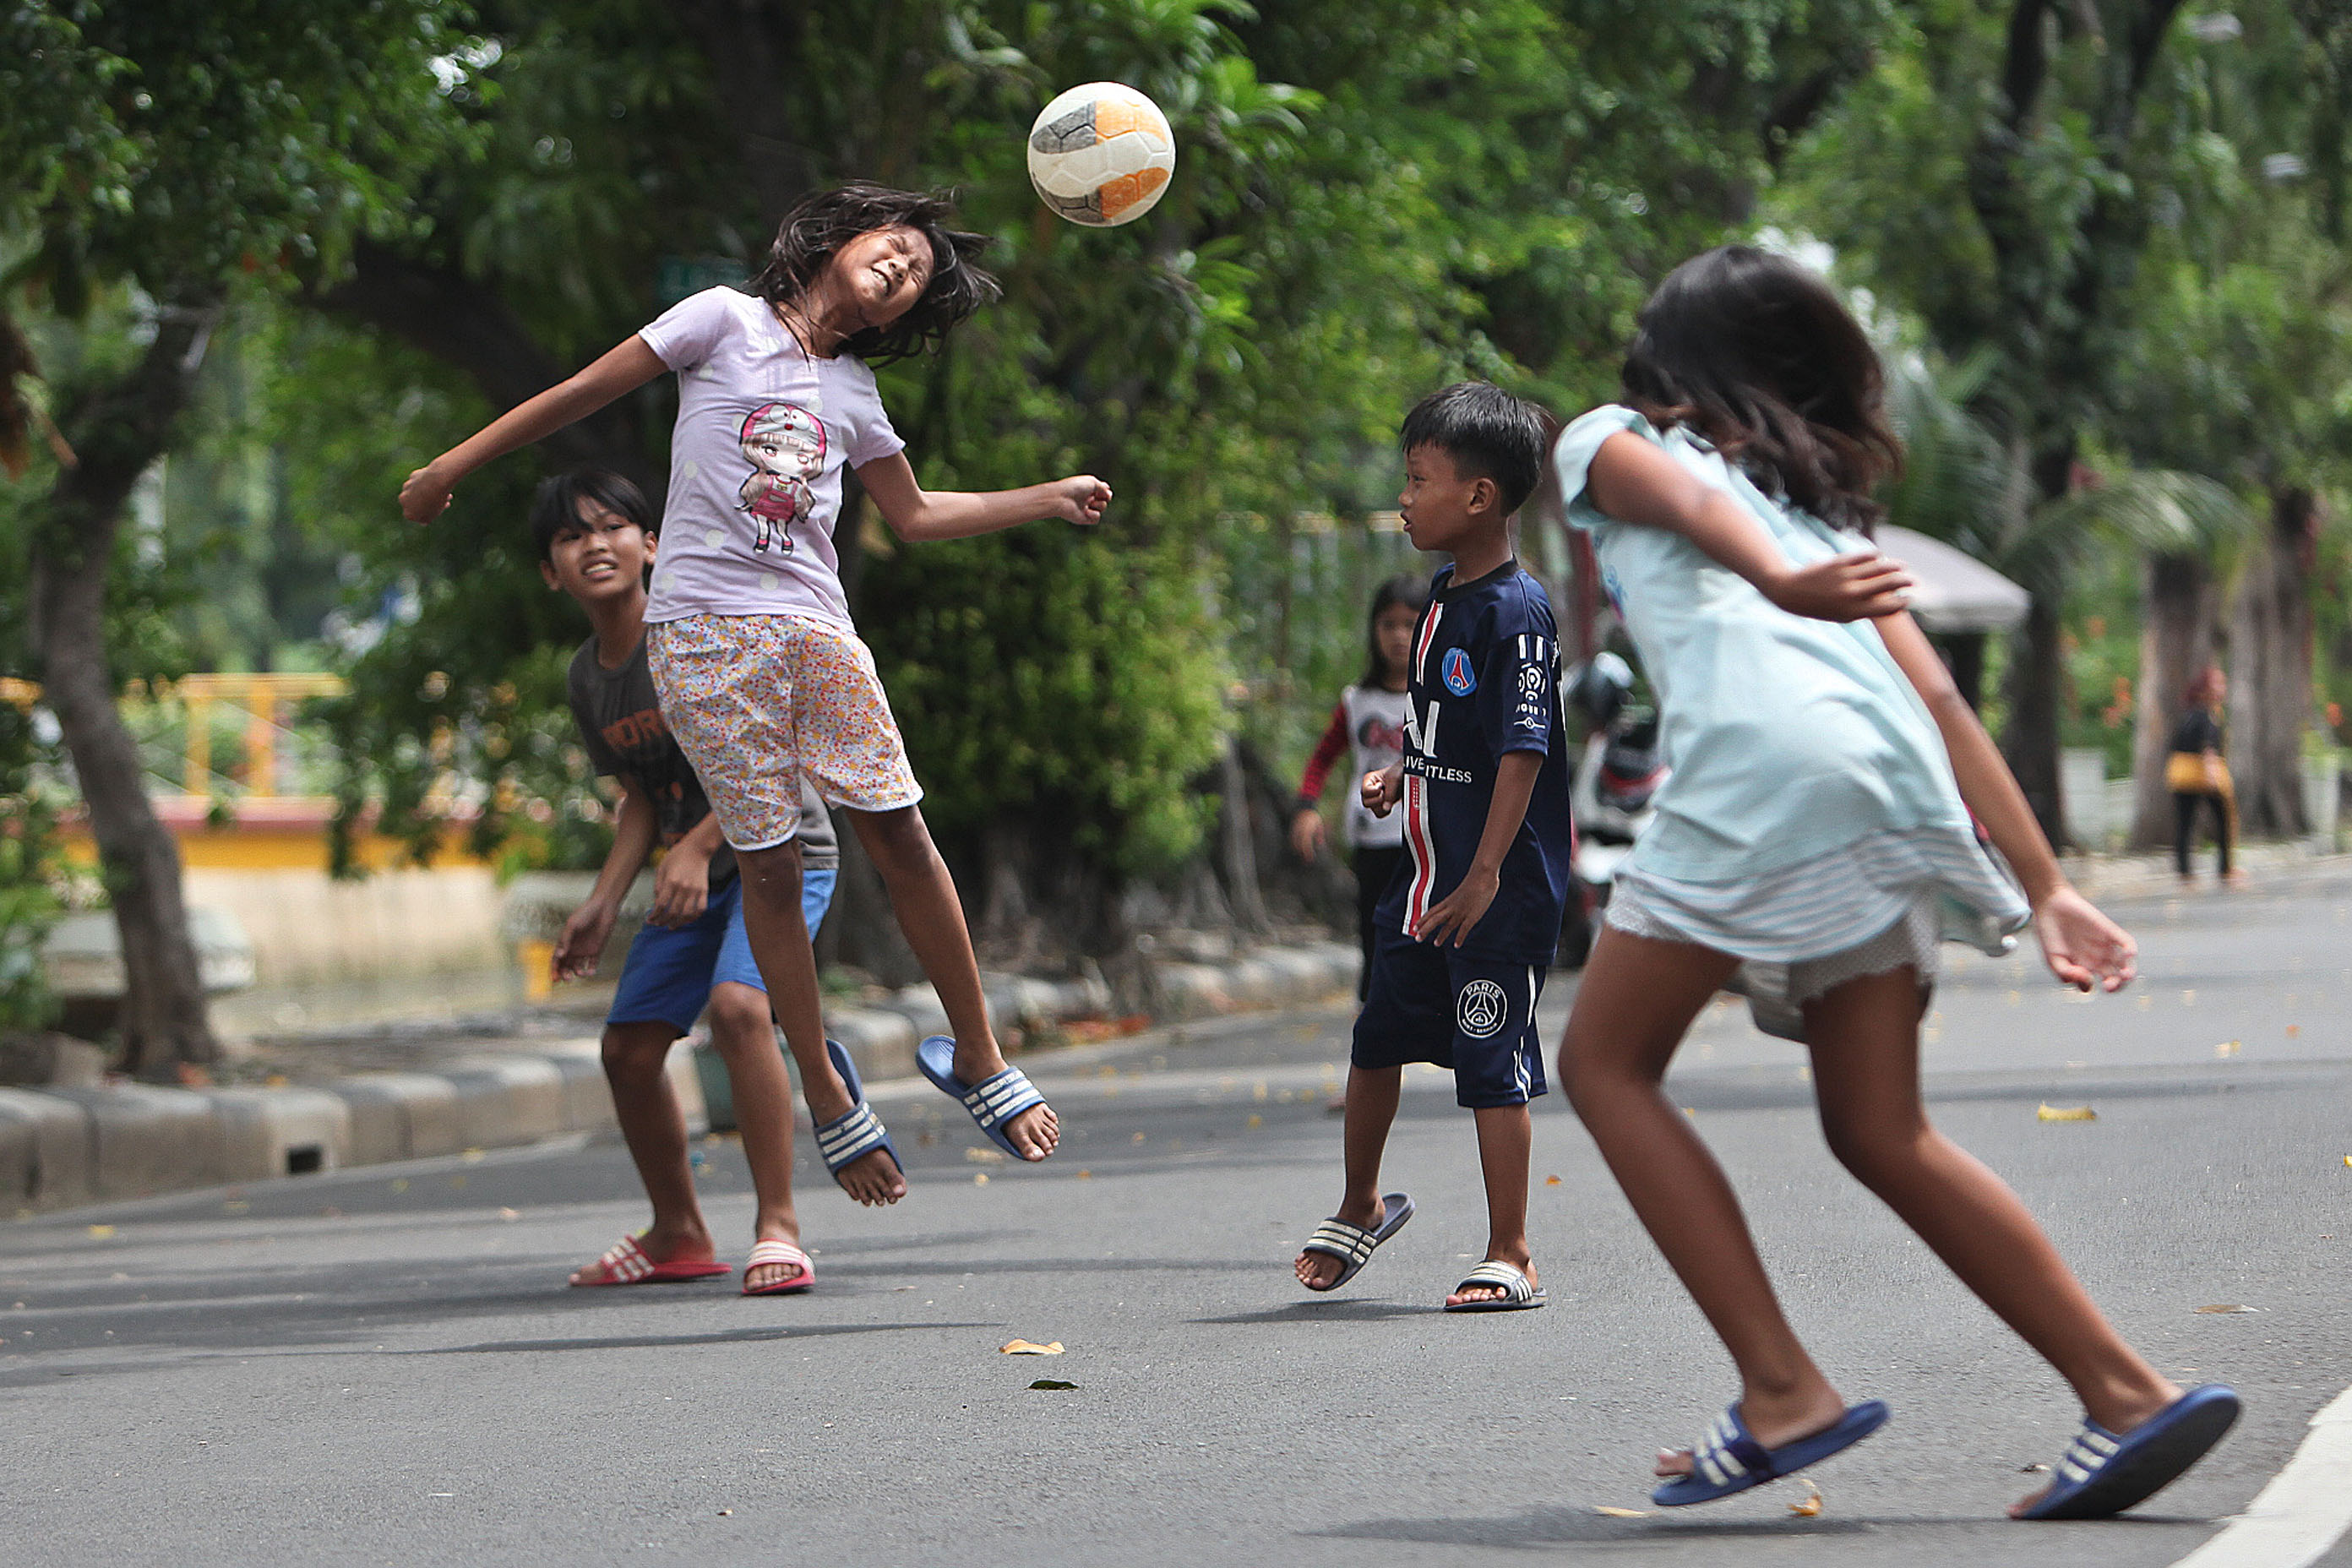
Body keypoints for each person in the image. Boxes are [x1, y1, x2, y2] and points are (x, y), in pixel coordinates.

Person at [1549, 245, 2239, 1519]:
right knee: (1882, 1129)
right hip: (1889, 788)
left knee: (1603, 1065)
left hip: (1763, 775)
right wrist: (2047, 882)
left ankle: (1781, 1389)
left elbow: (1679, 500)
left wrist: (1777, 582)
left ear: (1673, 363)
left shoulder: (1612, 441)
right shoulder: (1818, 520)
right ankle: (2126, 1390)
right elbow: (1939, 699)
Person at [402, 184, 1108, 1203]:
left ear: (904, 312)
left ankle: (979, 1051)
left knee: (903, 832)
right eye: (895, 247)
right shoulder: (720, 320)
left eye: (917, 276)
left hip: (816, 630)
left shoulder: (856, 391)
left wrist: (1047, 496)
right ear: (840, 239)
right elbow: (579, 393)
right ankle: (821, 1082)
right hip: (702, 634)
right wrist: (451, 465)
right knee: (769, 867)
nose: (902, 269)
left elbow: (913, 514)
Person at [1293, 383, 1574, 1313]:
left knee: (1493, 1062)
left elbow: (1522, 752)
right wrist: (1398, 772)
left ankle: (1512, 1251)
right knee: (1377, 1036)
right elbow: (1447, 728)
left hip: (1494, 893)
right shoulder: (1442, 599)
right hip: (1423, 880)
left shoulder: (1516, 612)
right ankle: (1361, 1202)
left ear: (1480, 496)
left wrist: (1487, 873)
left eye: (1419, 480)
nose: (1404, 498)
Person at [536, 470, 837, 1296]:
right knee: (629, 1049)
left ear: (652, 545)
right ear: (551, 572)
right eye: (571, 537)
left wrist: (699, 848)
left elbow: (772, 752)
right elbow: (641, 796)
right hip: (696, 873)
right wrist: (602, 904)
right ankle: (676, 1231)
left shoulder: (695, 633)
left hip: (783, 852)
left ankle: (779, 1225)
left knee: (739, 1008)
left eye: (612, 527)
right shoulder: (588, 677)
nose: (595, 545)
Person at [1289, 575, 1425, 998]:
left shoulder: (1437, 698)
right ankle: (1373, 1010)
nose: (1399, 636)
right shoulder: (1357, 701)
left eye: (1410, 624)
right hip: (1372, 836)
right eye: (1389, 624)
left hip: (1425, 837)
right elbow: (1322, 758)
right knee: (1375, 928)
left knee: (1420, 933)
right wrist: (1307, 807)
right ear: (1374, 630)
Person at [2165, 667, 2240, 884]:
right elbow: (2208, 747)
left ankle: (2184, 872)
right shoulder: (2207, 715)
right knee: (2223, 820)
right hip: (2201, 774)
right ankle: (2225, 868)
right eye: (2218, 683)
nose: (2222, 688)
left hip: (2181, 774)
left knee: (2185, 822)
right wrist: (2212, 776)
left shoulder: (2190, 715)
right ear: (2206, 689)